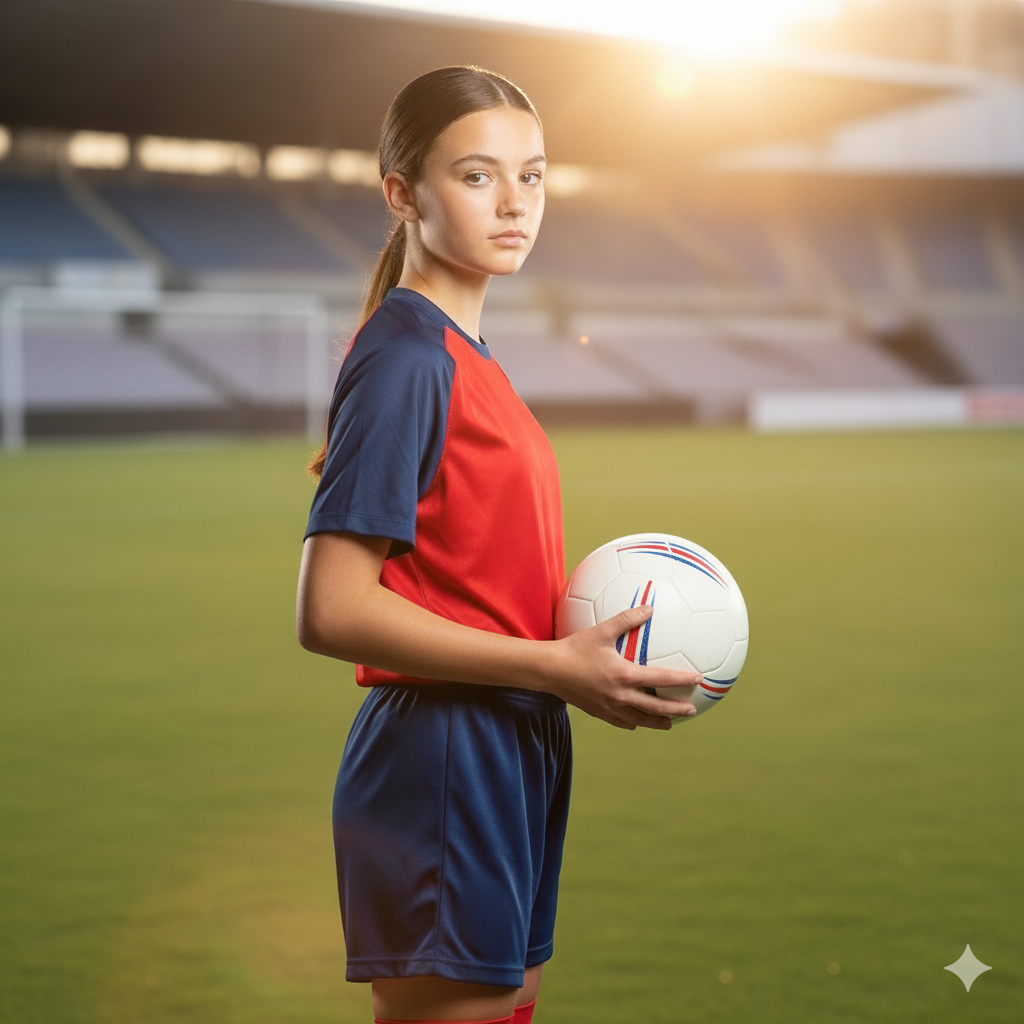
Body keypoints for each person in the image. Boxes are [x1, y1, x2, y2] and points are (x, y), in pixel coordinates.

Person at [296, 65, 702, 1024]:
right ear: (403, 195)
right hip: (444, 754)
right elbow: (332, 610)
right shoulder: (407, 358)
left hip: (513, 741)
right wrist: (555, 665)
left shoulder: (466, 355)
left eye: (534, 174)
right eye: (477, 176)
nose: (516, 202)